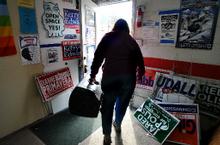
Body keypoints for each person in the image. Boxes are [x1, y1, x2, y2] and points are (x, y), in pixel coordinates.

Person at [89, 19, 145, 144]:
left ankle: (107, 135)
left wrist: (93, 74)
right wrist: (140, 74)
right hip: (128, 80)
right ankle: (118, 124)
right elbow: (140, 61)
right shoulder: (131, 40)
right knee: (122, 103)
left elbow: (98, 57)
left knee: (107, 106)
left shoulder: (108, 37)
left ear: (115, 27)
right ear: (127, 28)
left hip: (110, 77)